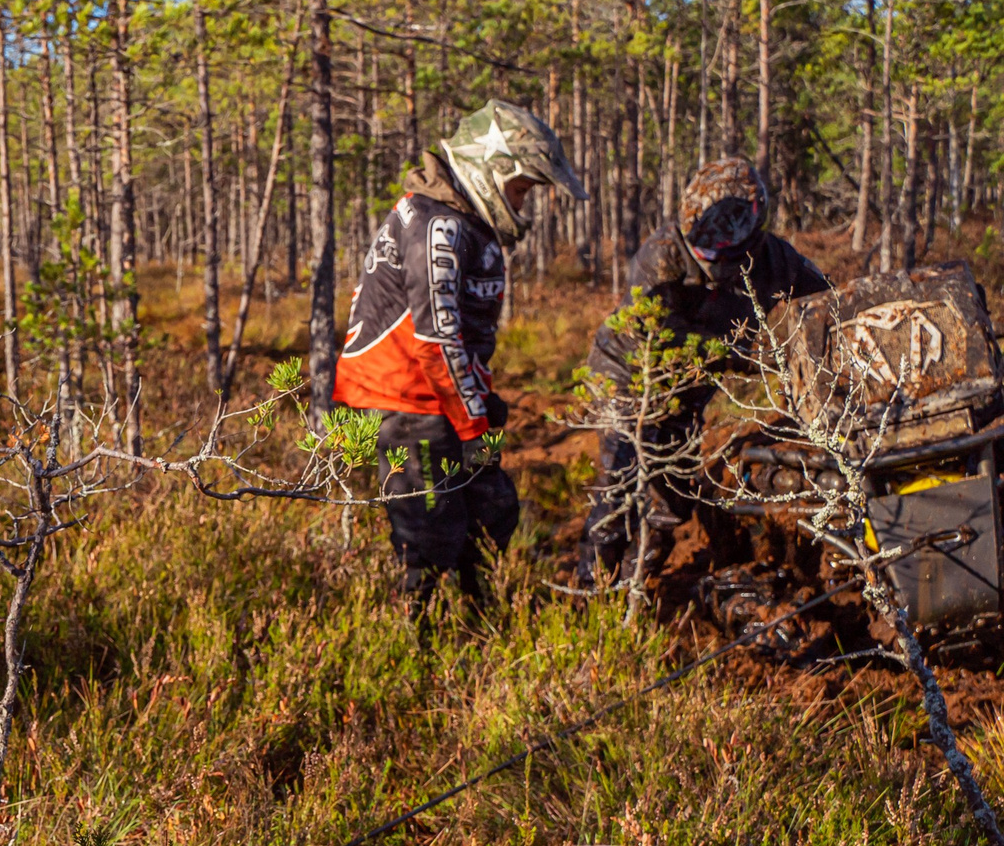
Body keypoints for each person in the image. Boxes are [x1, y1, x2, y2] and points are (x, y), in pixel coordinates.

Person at [333, 100, 585, 608]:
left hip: (446, 402)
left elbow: (465, 336)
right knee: (429, 536)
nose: (522, 203)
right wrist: (474, 426)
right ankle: (419, 650)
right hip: (406, 404)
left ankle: (478, 620)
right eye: (520, 189)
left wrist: (481, 406)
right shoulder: (435, 226)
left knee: (493, 511)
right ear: (491, 170)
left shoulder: (460, 221)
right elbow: (436, 337)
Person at [582, 156, 829, 585]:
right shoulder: (661, 257)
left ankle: (633, 583)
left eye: (720, 253)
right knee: (617, 489)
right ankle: (590, 593)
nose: (709, 261)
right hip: (629, 376)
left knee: (673, 498)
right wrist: (747, 355)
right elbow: (661, 339)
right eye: (703, 250)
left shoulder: (775, 260)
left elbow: (831, 306)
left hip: (688, 391)